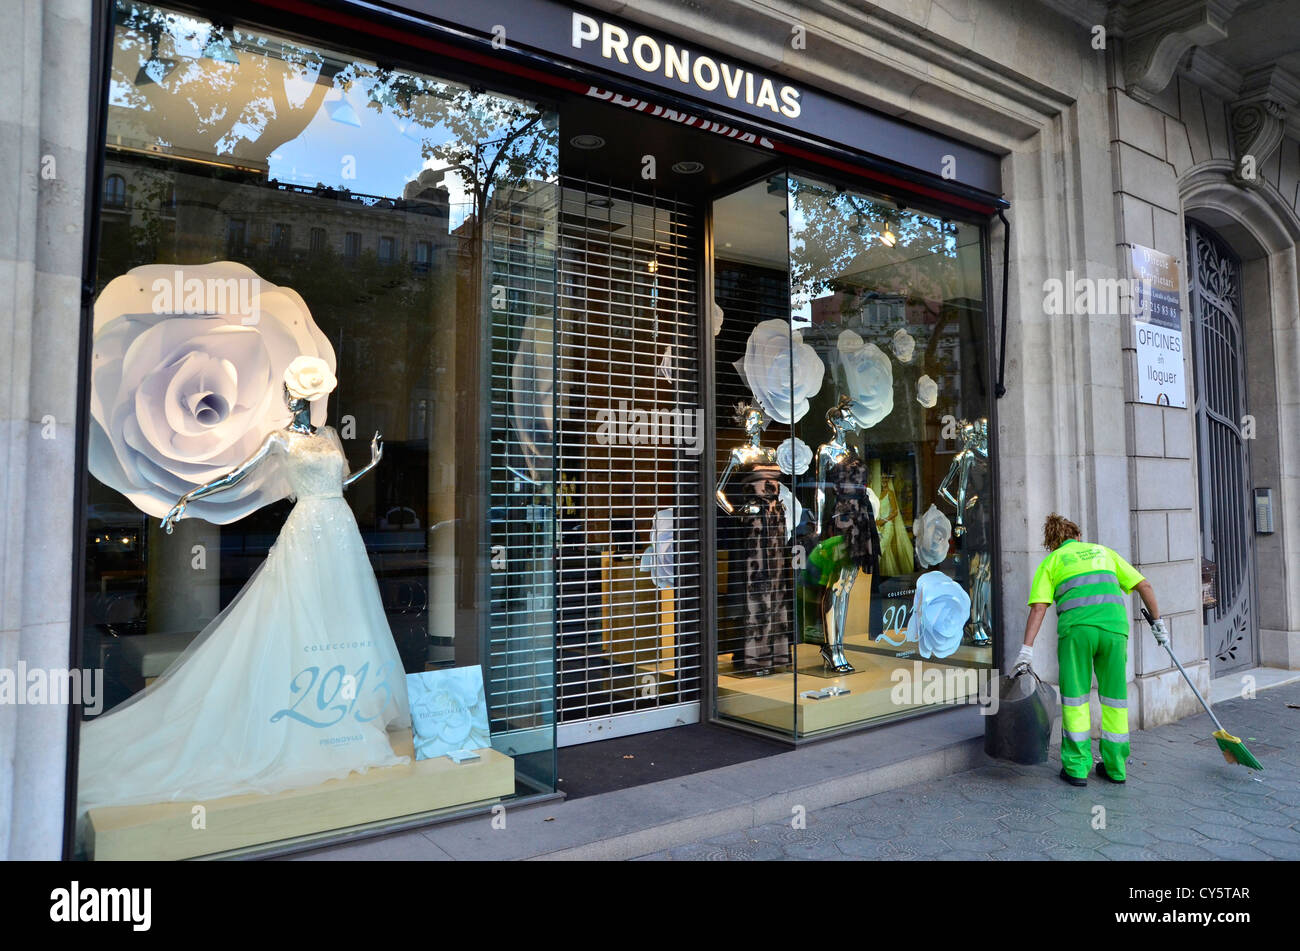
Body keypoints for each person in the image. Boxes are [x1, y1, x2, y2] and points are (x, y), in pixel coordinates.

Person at [1015, 514, 1166, 787]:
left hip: (1077, 632)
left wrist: (1026, 650)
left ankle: (1076, 768)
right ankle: (1116, 767)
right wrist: (1158, 624)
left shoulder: (1052, 561)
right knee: (1115, 698)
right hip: (1114, 631)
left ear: (1052, 543)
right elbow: (1144, 585)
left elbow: (1039, 607)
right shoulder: (1104, 553)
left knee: (1075, 697)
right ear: (1076, 535)